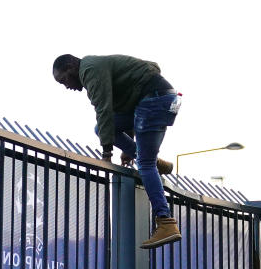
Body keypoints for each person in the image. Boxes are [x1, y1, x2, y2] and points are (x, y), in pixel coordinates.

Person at [51, 53, 182, 249]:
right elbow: (121, 109)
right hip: (157, 99)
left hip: (154, 100)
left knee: (144, 165)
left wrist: (106, 155)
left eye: (64, 80)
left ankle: (165, 221)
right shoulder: (94, 68)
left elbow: (103, 110)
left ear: (71, 66)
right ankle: (151, 161)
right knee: (103, 130)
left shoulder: (89, 70)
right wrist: (128, 148)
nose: (67, 87)